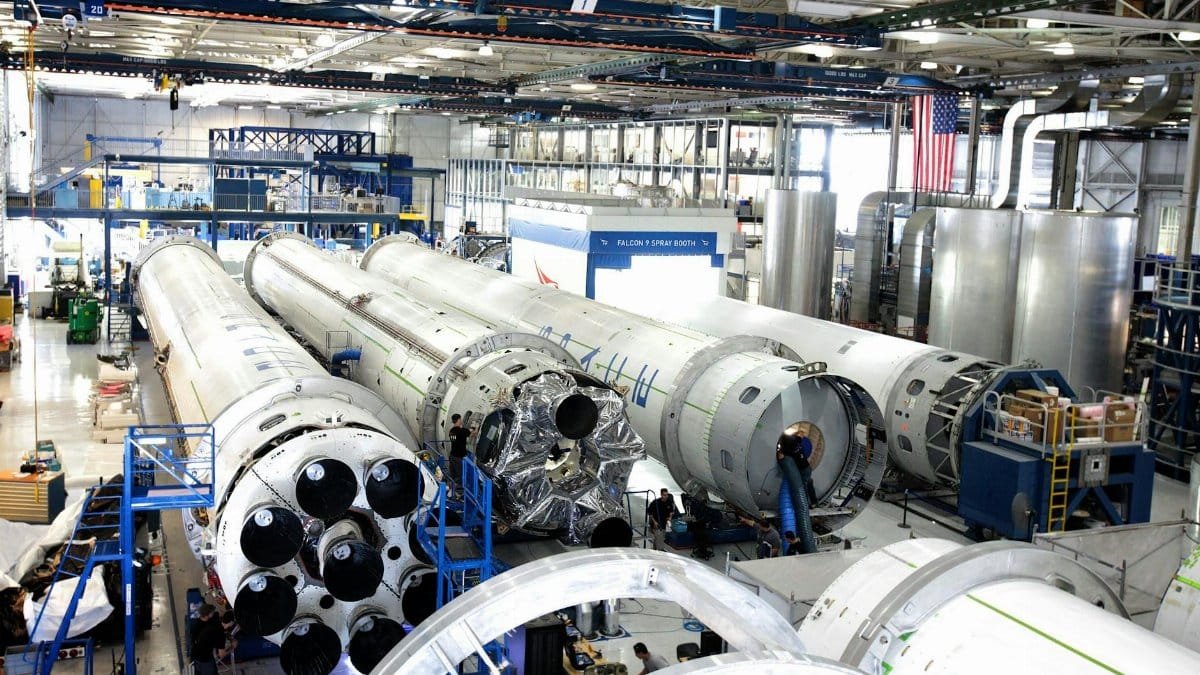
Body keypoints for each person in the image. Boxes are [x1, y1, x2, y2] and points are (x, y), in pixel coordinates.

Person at [189, 604, 227, 675]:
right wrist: (231, 647)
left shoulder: (196, 625)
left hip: (195, 657)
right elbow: (222, 654)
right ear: (208, 615)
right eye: (212, 613)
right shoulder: (214, 629)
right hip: (205, 660)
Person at [447, 413, 470, 493]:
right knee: (460, 475)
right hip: (458, 457)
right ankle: (458, 492)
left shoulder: (451, 431)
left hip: (452, 455)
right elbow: (472, 433)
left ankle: (450, 490)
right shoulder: (461, 431)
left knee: (453, 474)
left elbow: (455, 440)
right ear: (459, 420)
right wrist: (476, 429)